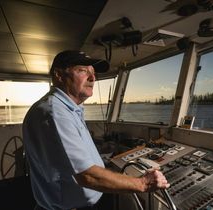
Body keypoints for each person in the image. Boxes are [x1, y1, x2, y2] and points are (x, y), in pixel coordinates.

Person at [22, 50, 170, 210]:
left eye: (93, 73)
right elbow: (87, 175)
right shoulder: (55, 113)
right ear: (59, 74)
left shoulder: (69, 109)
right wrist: (143, 183)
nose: (93, 78)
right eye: (83, 71)